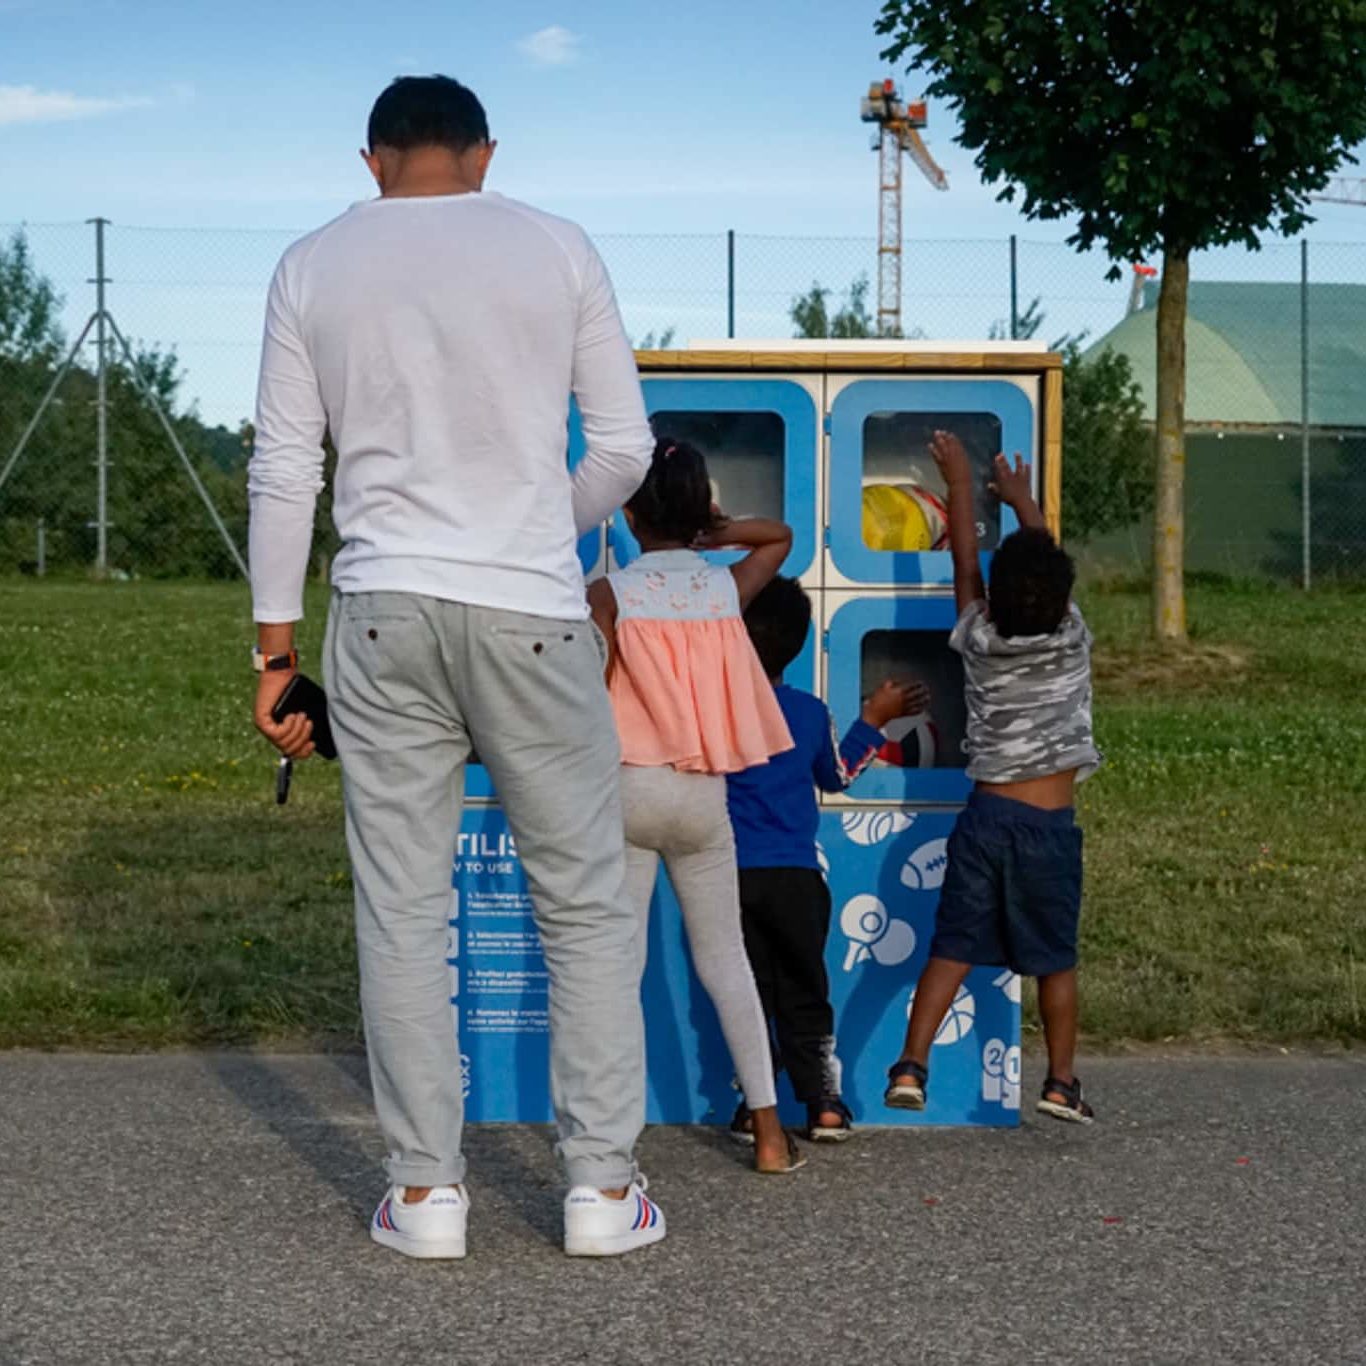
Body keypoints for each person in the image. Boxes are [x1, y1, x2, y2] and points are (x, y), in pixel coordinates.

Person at [248, 74, 666, 1260]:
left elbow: (284, 469)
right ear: (484, 155)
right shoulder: (557, 246)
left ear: (370, 161)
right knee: (583, 906)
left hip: (381, 613)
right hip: (533, 608)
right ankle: (600, 1192)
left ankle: (426, 1195)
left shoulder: (309, 264)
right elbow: (625, 450)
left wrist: (275, 651)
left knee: (402, 909)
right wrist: (534, 524)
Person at [587, 439, 806, 1175]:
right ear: (702, 508)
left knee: (619, 965)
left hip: (628, 787)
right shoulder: (721, 591)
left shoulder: (608, 594)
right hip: (703, 795)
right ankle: (770, 1134)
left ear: (626, 511)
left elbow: (589, 694)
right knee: (725, 959)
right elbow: (779, 537)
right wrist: (714, 531)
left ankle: (612, 1141)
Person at [885, 432, 1101, 1124]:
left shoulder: (978, 638)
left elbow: (964, 567)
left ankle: (911, 1065)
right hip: (1047, 829)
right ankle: (1060, 1082)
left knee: (952, 947)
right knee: (1055, 959)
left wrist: (957, 485)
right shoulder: (1071, 638)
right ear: (1062, 600)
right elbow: (1042, 566)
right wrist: (1020, 499)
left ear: (993, 600)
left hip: (983, 822)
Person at [727, 576, 929, 1143]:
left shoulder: (717, 711)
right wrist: (874, 720)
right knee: (806, 989)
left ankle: (755, 1108)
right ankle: (825, 1105)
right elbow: (838, 775)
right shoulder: (810, 713)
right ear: (797, 645)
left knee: (748, 994)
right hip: (797, 878)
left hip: (730, 877)